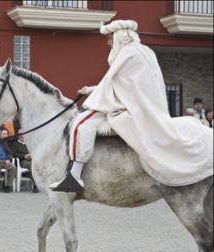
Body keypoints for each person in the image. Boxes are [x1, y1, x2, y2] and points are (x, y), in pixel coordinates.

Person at [50, 20, 213, 192]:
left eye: (110, 38)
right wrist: (91, 90)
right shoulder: (145, 51)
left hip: (129, 108)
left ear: (119, 36)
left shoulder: (127, 54)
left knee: (80, 123)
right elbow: (123, 84)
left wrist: (91, 93)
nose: (108, 42)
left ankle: (75, 177)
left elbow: (111, 84)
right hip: (144, 106)